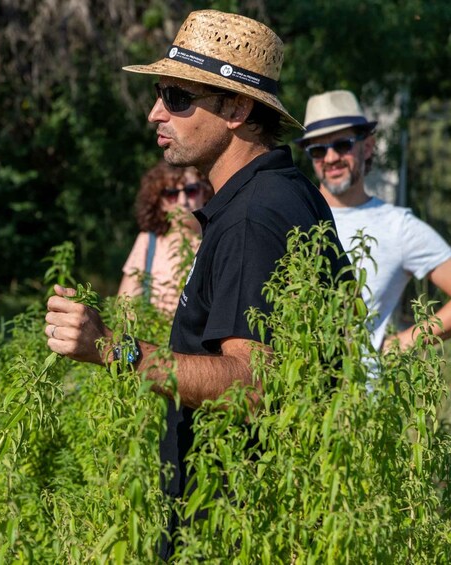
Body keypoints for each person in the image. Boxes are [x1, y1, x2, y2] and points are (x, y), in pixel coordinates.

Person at [44, 10, 351, 558]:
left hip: (233, 522)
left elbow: (252, 384)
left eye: (178, 98)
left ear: (237, 108)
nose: (154, 113)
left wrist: (114, 350)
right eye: (160, 93)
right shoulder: (281, 194)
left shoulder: (253, 217)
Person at [295, 89, 451, 352]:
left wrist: (401, 343)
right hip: (295, 389)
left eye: (343, 145)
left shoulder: (398, 226)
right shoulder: (293, 214)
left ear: (367, 146)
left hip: (362, 391)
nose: (331, 158)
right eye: (319, 150)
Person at [117, 163, 213, 315]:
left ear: (205, 193)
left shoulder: (215, 242)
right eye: (172, 194)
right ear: (160, 202)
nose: (183, 201)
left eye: (191, 191)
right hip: (152, 335)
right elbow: (124, 308)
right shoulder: (148, 242)